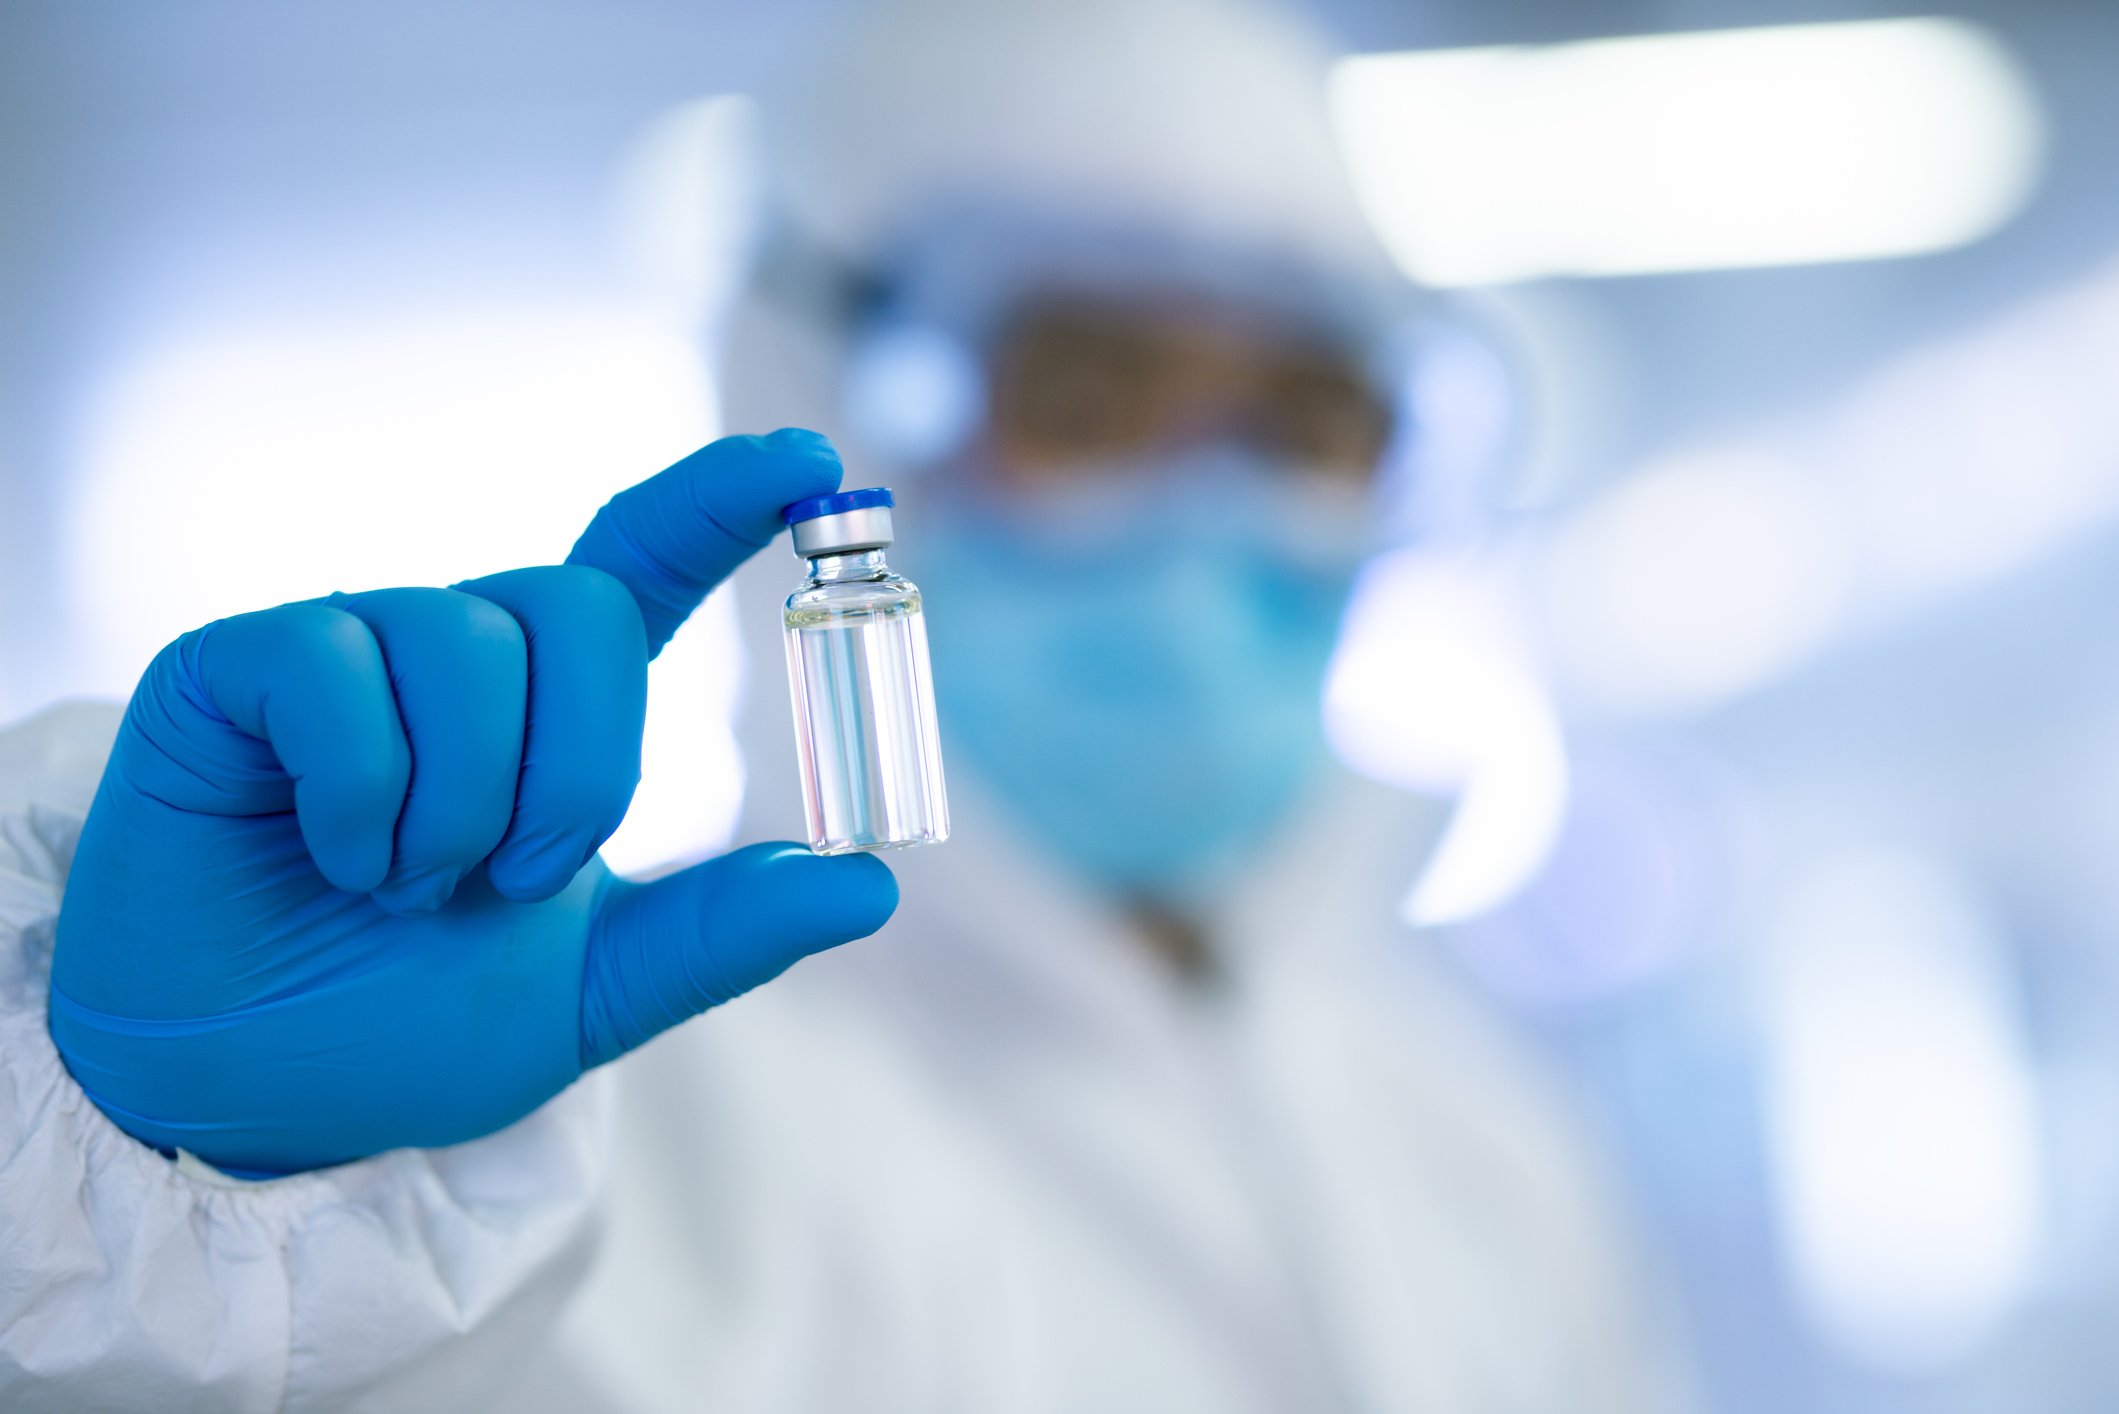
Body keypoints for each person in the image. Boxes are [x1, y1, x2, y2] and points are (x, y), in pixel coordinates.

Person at [0, 0, 1681, 1409]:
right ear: (819, 405)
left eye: (1306, 420)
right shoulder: (540, 1171)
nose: (1213, 509)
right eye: (1086, 393)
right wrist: (173, 1202)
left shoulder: (1484, 1138)